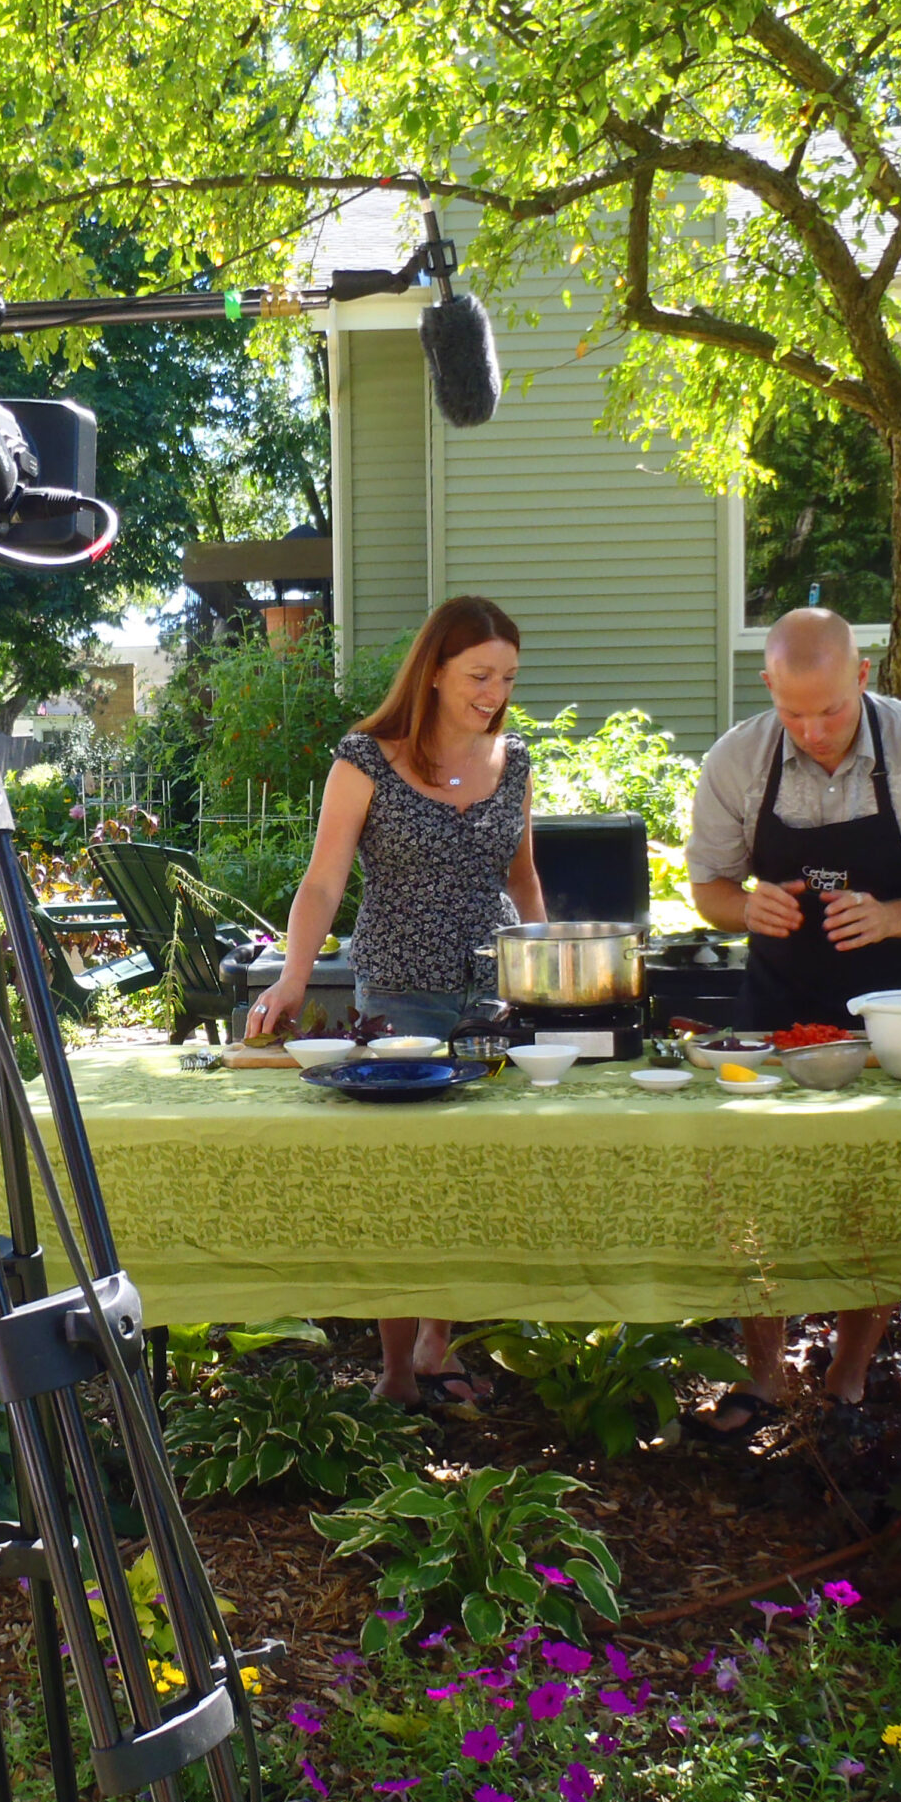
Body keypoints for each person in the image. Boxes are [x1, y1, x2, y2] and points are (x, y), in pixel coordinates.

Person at [243, 596, 545, 1405]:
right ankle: (394, 1372)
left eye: (508, 677)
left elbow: (522, 878)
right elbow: (323, 879)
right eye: (480, 674)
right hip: (400, 989)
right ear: (435, 670)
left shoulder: (514, 760)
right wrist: (294, 976)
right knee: (405, 1180)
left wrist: (546, 971)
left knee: (472, 1176)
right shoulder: (365, 758)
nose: (494, 691)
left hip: (493, 994)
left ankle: (439, 1350)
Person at [681, 606, 901, 1441]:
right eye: (794, 713)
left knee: (877, 1189)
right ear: (768, 687)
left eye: (830, 709)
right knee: (760, 1187)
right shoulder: (737, 759)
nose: (815, 729)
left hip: (900, 1003)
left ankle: (847, 1375)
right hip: (780, 998)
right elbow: (709, 890)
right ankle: (762, 1374)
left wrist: (894, 919)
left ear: (862, 675)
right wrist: (743, 906)